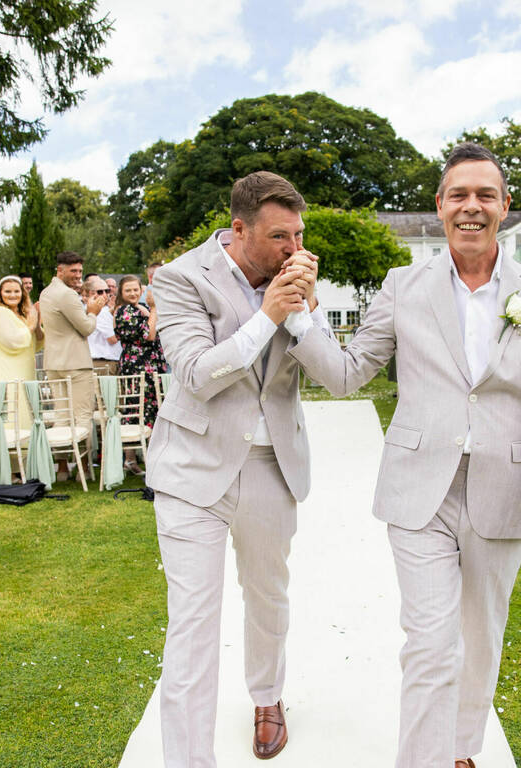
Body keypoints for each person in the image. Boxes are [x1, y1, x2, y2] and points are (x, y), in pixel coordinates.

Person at [289, 142, 521, 768]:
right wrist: (299, 321)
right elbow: (348, 375)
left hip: (503, 491)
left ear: (505, 207)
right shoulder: (403, 286)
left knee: (480, 642)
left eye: (486, 195)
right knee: (431, 642)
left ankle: (462, 752)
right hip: (417, 489)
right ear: (439, 207)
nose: (472, 207)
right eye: (459, 194)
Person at [143, 171, 329, 766]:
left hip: (271, 464)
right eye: (281, 237)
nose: (293, 250)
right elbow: (194, 374)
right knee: (193, 622)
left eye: (299, 235)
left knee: (268, 595)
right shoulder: (178, 279)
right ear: (239, 228)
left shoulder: (296, 277)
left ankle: (268, 697)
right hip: (192, 469)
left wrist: (304, 311)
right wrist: (268, 314)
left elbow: (330, 370)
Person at [39, 251, 106, 480]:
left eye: (79, 270)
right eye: (73, 271)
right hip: (75, 364)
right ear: (60, 270)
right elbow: (86, 328)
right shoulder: (66, 295)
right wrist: (93, 312)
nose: (78, 275)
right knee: (82, 416)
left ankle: (62, 468)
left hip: (54, 362)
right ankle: (84, 468)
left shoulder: (46, 293)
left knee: (61, 415)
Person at [113, 274, 166, 474]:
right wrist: (153, 309)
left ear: (141, 290)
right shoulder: (125, 311)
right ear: (121, 293)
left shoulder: (137, 309)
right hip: (138, 369)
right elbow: (149, 335)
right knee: (137, 411)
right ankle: (131, 460)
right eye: (128, 290)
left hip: (150, 367)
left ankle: (150, 459)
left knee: (150, 412)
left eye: (136, 289)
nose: (133, 293)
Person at [0, 275, 42, 427]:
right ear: (0, 293)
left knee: (27, 406)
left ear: (23, 293)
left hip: (25, 369)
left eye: (16, 291)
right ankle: (12, 446)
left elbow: (36, 344)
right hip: (6, 369)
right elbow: (12, 341)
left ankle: (29, 446)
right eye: (7, 291)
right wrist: (30, 326)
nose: (12, 295)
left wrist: (37, 322)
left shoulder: (24, 316)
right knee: (12, 406)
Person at [87, 276, 121, 376]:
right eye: (100, 292)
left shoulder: (105, 310)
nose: (105, 295)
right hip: (103, 363)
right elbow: (112, 339)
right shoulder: (99, 311)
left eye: (107, 291)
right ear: (91, 293)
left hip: (110, 361)